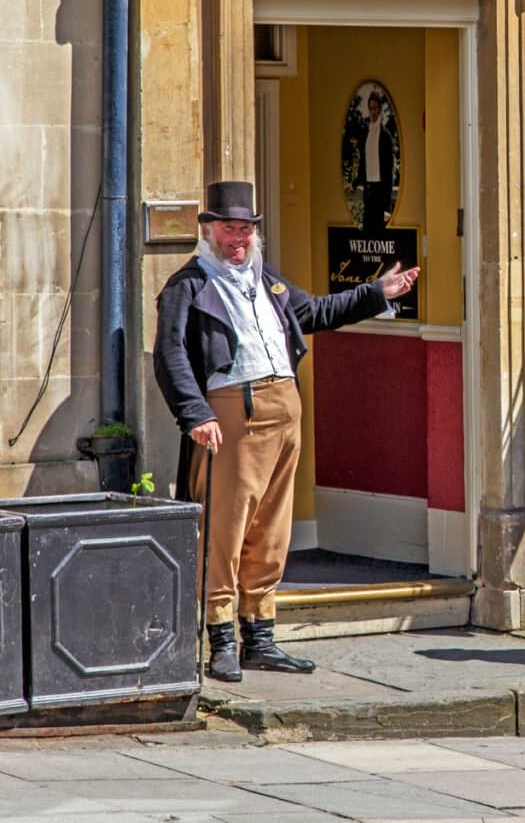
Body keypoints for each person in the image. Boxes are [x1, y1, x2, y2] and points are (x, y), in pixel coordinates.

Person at [153, 180, 419, 682]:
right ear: (209, 231)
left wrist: (376, 294)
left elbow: (315, 312)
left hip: (283, 408)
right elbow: (169, 357)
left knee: (272, 531)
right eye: (230, 229)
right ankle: (221, 640)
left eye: (246, 230)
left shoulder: (265, 280)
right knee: (224, 529)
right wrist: (196, 415)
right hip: (232, 412)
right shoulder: (187, 286)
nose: (239, 239)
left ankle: (262, 637)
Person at [356, 91, 396, 233]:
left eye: (375, 108)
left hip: (380, 189)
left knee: (379, 231)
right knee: (367, 230)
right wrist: (356, 183)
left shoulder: (385, 136)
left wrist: (387, 207)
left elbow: (389, 170)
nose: (373, 112)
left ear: (379, 109)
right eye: (371, 108)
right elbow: (363, 161)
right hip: (368, 188)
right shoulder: (365, 132)